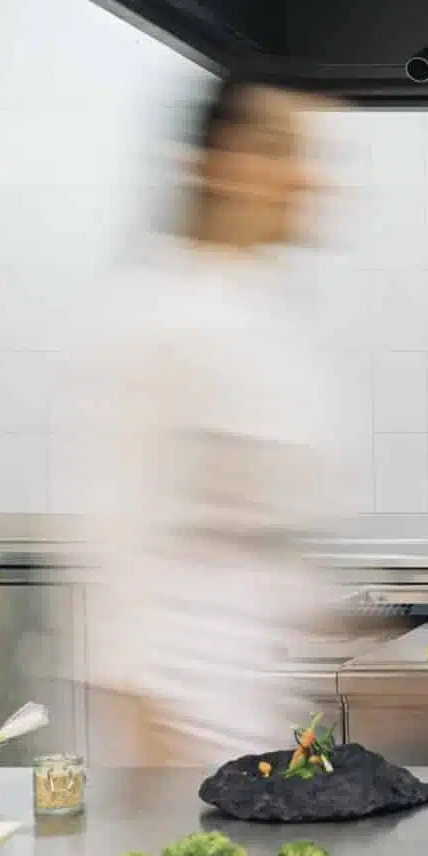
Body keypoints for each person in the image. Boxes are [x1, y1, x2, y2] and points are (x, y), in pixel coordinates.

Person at [80, 74, 343, 765]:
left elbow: (270, 537)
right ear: (222, 165)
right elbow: (116, 536)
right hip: (178, 726)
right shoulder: (155, 313)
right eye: (283, 151)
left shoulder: (262, 311)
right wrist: (143, 721)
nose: (309, 178)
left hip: (254, 710)